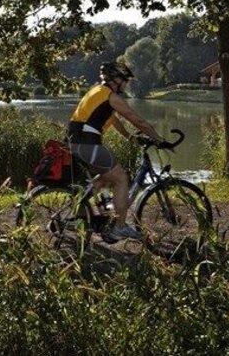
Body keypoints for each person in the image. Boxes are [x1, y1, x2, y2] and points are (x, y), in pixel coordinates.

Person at [67, 61, 167, 241]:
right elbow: (137, 120)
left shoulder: (96, 92)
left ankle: (104, 219)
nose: (126, 84)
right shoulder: (111, 97)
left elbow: (113, 119)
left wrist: (129, 137)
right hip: (88, 145)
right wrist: (159, 139)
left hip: (76, 142)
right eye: (125, 80)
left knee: (103, 181)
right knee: (121, 178)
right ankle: (119, 227)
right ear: (116, 80)